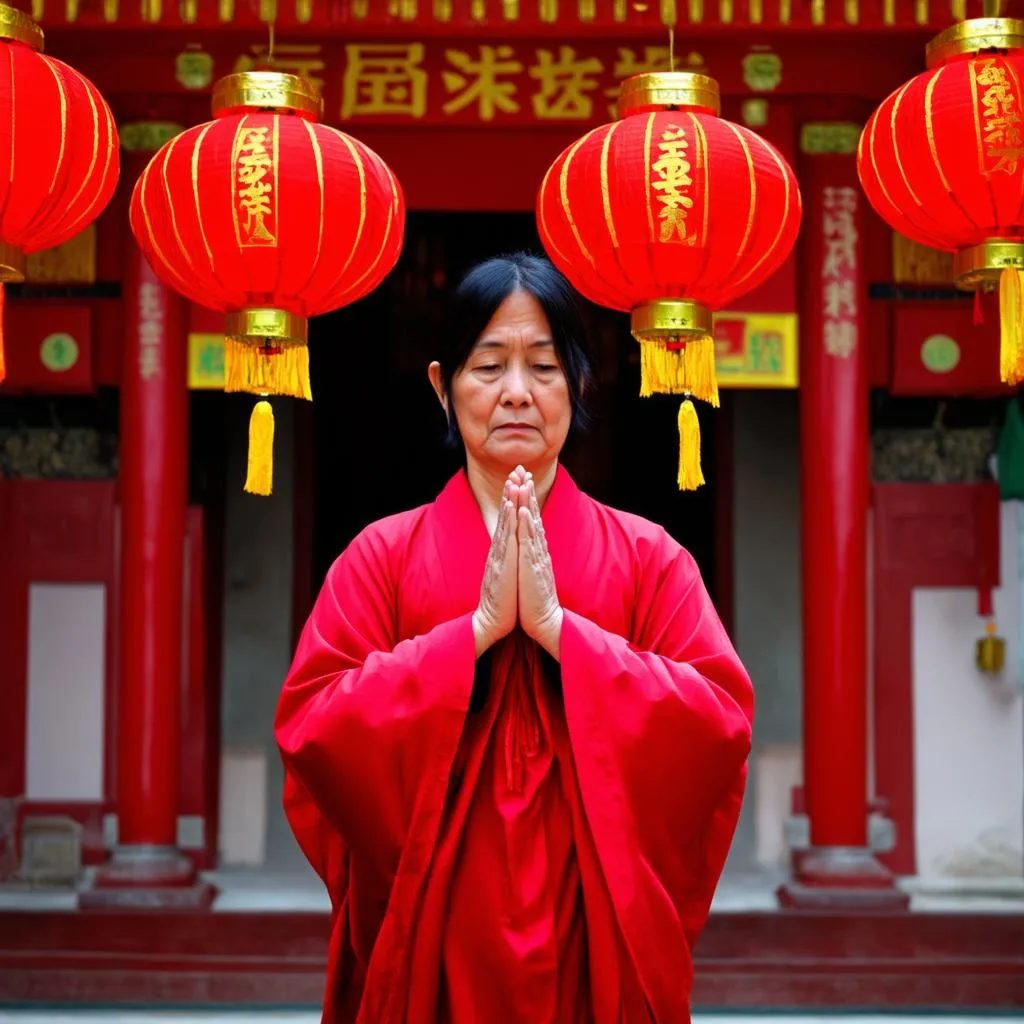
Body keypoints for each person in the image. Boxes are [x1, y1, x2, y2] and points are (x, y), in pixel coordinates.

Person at [275, 252, 754, 1024]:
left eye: (543, 366)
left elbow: (719, 720)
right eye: (489, 365)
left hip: (593, 922)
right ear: (442, 385)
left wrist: (566, 637)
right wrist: (472, 636)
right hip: (438, 919)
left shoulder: (650, 558)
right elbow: (313, 724)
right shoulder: (381, 557)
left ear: (580, 381)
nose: (517, 393)